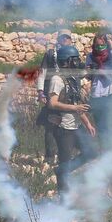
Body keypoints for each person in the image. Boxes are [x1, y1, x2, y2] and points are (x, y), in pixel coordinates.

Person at [47, 45, 98, 193]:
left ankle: (62, 171)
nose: (77, 62)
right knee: (65, 161)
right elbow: (52, 102)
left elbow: (76, 103)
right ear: (66, 61)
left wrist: (87, 123)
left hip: (75, 126)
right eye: (74, 60)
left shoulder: (73, 78)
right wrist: (75, 109)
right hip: (63, 128)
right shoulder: (57, 79)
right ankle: (63, 196)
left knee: (91, 152)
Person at [36, 33, 73, 163]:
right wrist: (41, 92)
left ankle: (65, 155)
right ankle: (50, 156)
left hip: (67, 93)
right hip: (52, 91)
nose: (66, 40)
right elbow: (42, 73)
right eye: (64, 38)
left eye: (68, 38)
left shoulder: (72, 53)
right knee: (50, 124)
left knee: (68, 124)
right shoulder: (51, 54)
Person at [85, 33, 112, 149]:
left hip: (110, 93)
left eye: (102, 45)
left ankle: (111, 149)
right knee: (99, 125)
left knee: (108, 123)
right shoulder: (90, 56)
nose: (99, 47)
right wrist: (91, 71)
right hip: (96, 94)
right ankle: (103, 149)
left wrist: (104, 72)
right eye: (97, 45)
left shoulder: (111, 55)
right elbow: (88, 76)